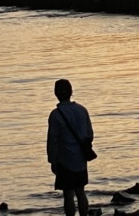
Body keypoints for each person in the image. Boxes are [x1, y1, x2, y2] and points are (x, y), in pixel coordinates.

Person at [47, 79, 94, 216]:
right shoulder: (82, 110)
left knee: (68, 195)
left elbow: (52, 140)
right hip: (80, 159)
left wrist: (52, 160)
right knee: (81, 192)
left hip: (64, 160)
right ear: (71, 92)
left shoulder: (55, 115)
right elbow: (89, 134)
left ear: (56, 93)